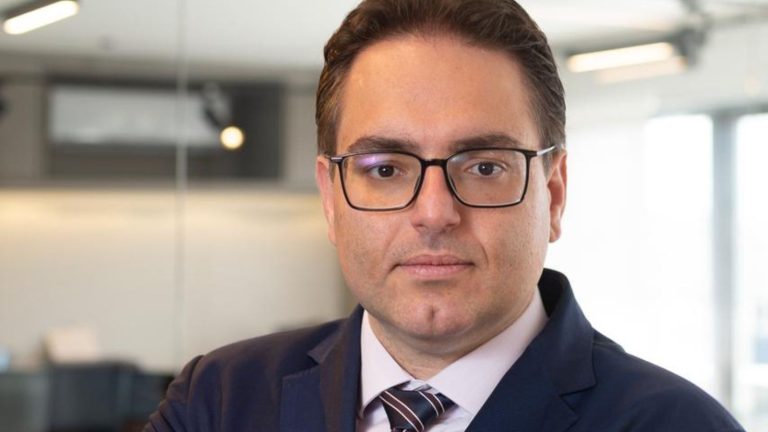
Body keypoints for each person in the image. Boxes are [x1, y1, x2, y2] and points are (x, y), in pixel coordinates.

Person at [145, 0, 745, 430]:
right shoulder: (216, 402)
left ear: (554, 194)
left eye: (483, 166)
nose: (434, 213)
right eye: (385, 168)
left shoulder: (676, 423)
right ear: (330, 198)